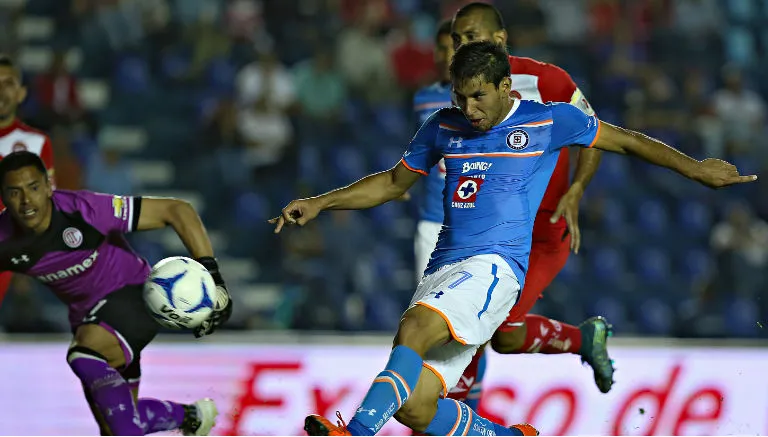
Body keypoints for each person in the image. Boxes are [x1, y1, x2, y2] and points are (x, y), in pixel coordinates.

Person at [272, 41, 755, 436]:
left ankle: (354, 433)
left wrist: (696, 169)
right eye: (461, 97)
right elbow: (394, 183)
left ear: (506, 86)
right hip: (445, 267)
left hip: (495, 268)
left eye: (479, 96)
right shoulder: (443, 125)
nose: (469, 108)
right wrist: (321, 202)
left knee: (414, 330)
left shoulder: (548, 120)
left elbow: (626, 139)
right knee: (415, 407)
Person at [0, 151, 234, 436]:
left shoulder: (84, 211)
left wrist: (212, 275)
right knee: (117, 428)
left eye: (34, 188)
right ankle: (191, 417)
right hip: (89, 318)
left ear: (49, 186)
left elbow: (177, 210)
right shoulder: (4, 241)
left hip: (135, 296)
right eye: (15, 192)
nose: (26, 202)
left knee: (85, 353)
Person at [447, 2, 614, 396]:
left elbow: (597, 135)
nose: (461, 46)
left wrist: (576, 190)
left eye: (471, 37)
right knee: (477, 324)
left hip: (543, 233)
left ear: (500, 40)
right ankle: (460, 414)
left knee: (499, 331)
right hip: (490, 234)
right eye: (457, 39)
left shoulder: (546, 80)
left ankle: (582, 341)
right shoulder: (461, 94)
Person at [0, 55, 56, 306]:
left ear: (21, 93)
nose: (1, 90)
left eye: (8, 83)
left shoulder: (36, 143)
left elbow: (46, 207)